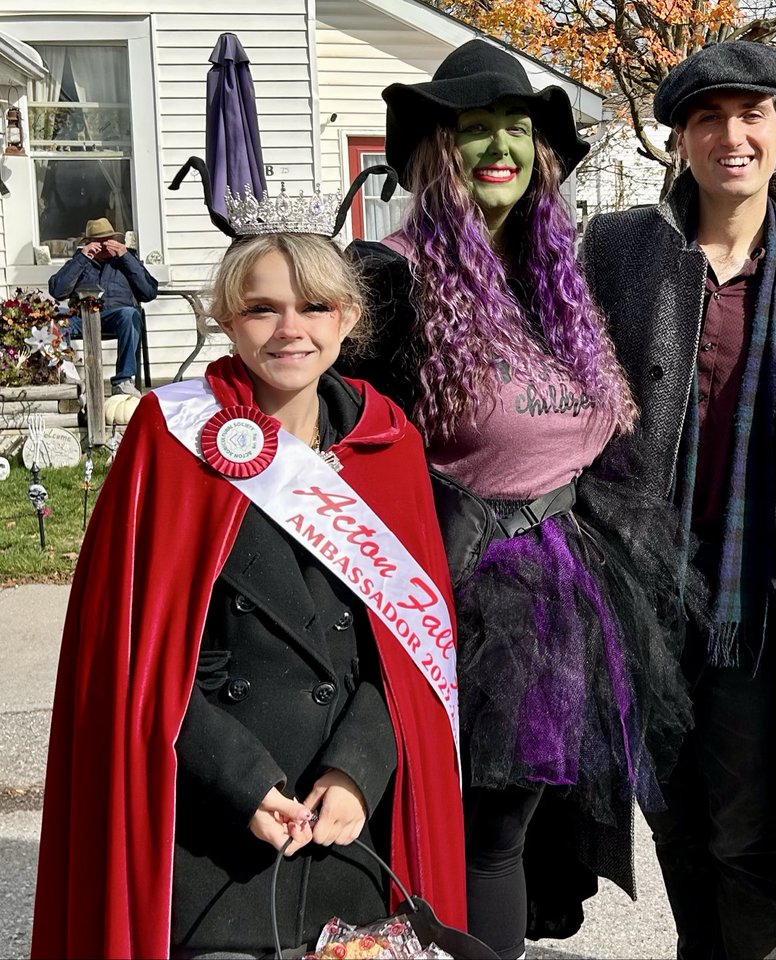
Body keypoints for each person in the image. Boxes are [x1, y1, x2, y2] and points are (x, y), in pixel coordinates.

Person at [31, 172, 466, 958]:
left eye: (314, 307)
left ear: (351, 319)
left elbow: (411, 655)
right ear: (227, 317)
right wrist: (241, 778)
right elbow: (129, 657)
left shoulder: (388, 441)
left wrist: (358, 768)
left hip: (348, 818)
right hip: (211, 822)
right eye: (263, 307)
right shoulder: (172, 437)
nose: (289, 329)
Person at [340, 39, 694, 960]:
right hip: (452, 599)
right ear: (434, 151)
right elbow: (333, 453)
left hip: (564, 588)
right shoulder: (388, 281)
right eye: (474, 128)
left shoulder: (556, 280)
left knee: (514, 834)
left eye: (517, 127)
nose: (499, 146)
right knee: (475, 833)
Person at [581, 40, 776, 960]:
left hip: (765, 600)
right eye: (708, 116)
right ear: (680, 138)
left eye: (752, 114)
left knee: (750, 828)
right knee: (671, 809)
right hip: (648, 589)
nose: (731, 134)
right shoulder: (619, 251)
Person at [48, 216, 158, 397]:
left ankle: (123, 382)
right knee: (55, 318)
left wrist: (126, 257)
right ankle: (67, 376)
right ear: (90, 243)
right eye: (99, 242)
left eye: (108, 240)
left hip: (116, 316)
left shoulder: (127, 259)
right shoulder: (79, 260)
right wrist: (82, 258)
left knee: (131, 315)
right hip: (81, 316)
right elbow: (58, 291)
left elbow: (149, 292)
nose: (105, 245)